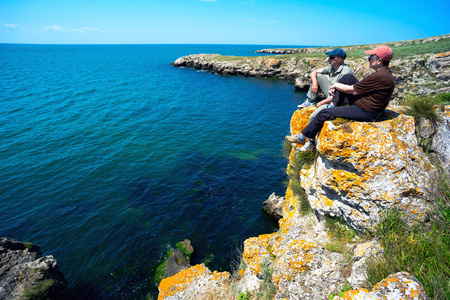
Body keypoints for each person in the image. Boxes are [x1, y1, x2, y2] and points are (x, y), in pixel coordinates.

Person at [286, 45, 395, 147]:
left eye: (371, 57)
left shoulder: (379, 76)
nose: (369, 59)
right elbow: (356, 87)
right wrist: (338, 86)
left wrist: (336, 85)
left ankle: (302, 137)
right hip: (366, 105)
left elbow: (354, 90)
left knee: (324, 113)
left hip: (367, 112)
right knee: (347, 78)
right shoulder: (384, 74)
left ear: (379, 60)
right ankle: (333, 106)